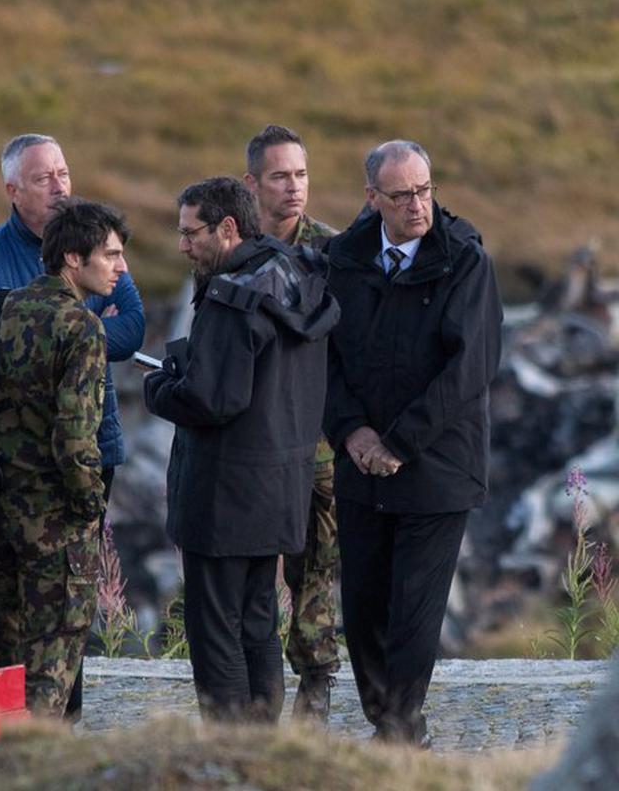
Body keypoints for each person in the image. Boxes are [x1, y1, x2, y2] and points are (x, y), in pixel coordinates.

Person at [0, 133, 144, 718]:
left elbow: (134, 327)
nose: (61, 185)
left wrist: (65, 336)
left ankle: (59, 723)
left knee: (68, 604)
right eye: (44, 178)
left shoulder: (96, 240)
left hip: (93, 448)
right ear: (13, 190)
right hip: (6, 460)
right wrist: (81, 329)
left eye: (64, 172)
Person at [323, 140, 502, 746]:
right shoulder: (342, 261)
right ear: (372, 198)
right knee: (364, 607)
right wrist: (352, 432)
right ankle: (388, 723)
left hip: (437, 467)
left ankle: (401, 731)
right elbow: (323, 359)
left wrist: (399, 443)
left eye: (424, 190)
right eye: (401, 196)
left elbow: (469, 369)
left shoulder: (466, 261)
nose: (416, 206)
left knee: (415, 611)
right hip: (360, 462)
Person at [143, 177, 339, 723]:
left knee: (217, 628)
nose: (182, 246)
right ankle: (262, 740)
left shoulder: (235, 296)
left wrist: (160, 385)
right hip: (283, 488)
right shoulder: (301, 276)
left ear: (228, 228)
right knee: (258, 622)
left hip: (224, 494)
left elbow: (215, 398)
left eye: (191, 233)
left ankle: (233, 750)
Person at [243, 124, 340, 720]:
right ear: (253, 183)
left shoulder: (332, 250)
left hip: (318, 436)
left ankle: (317, 680)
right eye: (280, 176)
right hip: (253, 435)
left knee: (318, 564)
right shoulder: (234, 245)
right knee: (251, 568)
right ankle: (254, 686)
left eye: (301, 175)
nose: (294, 187)